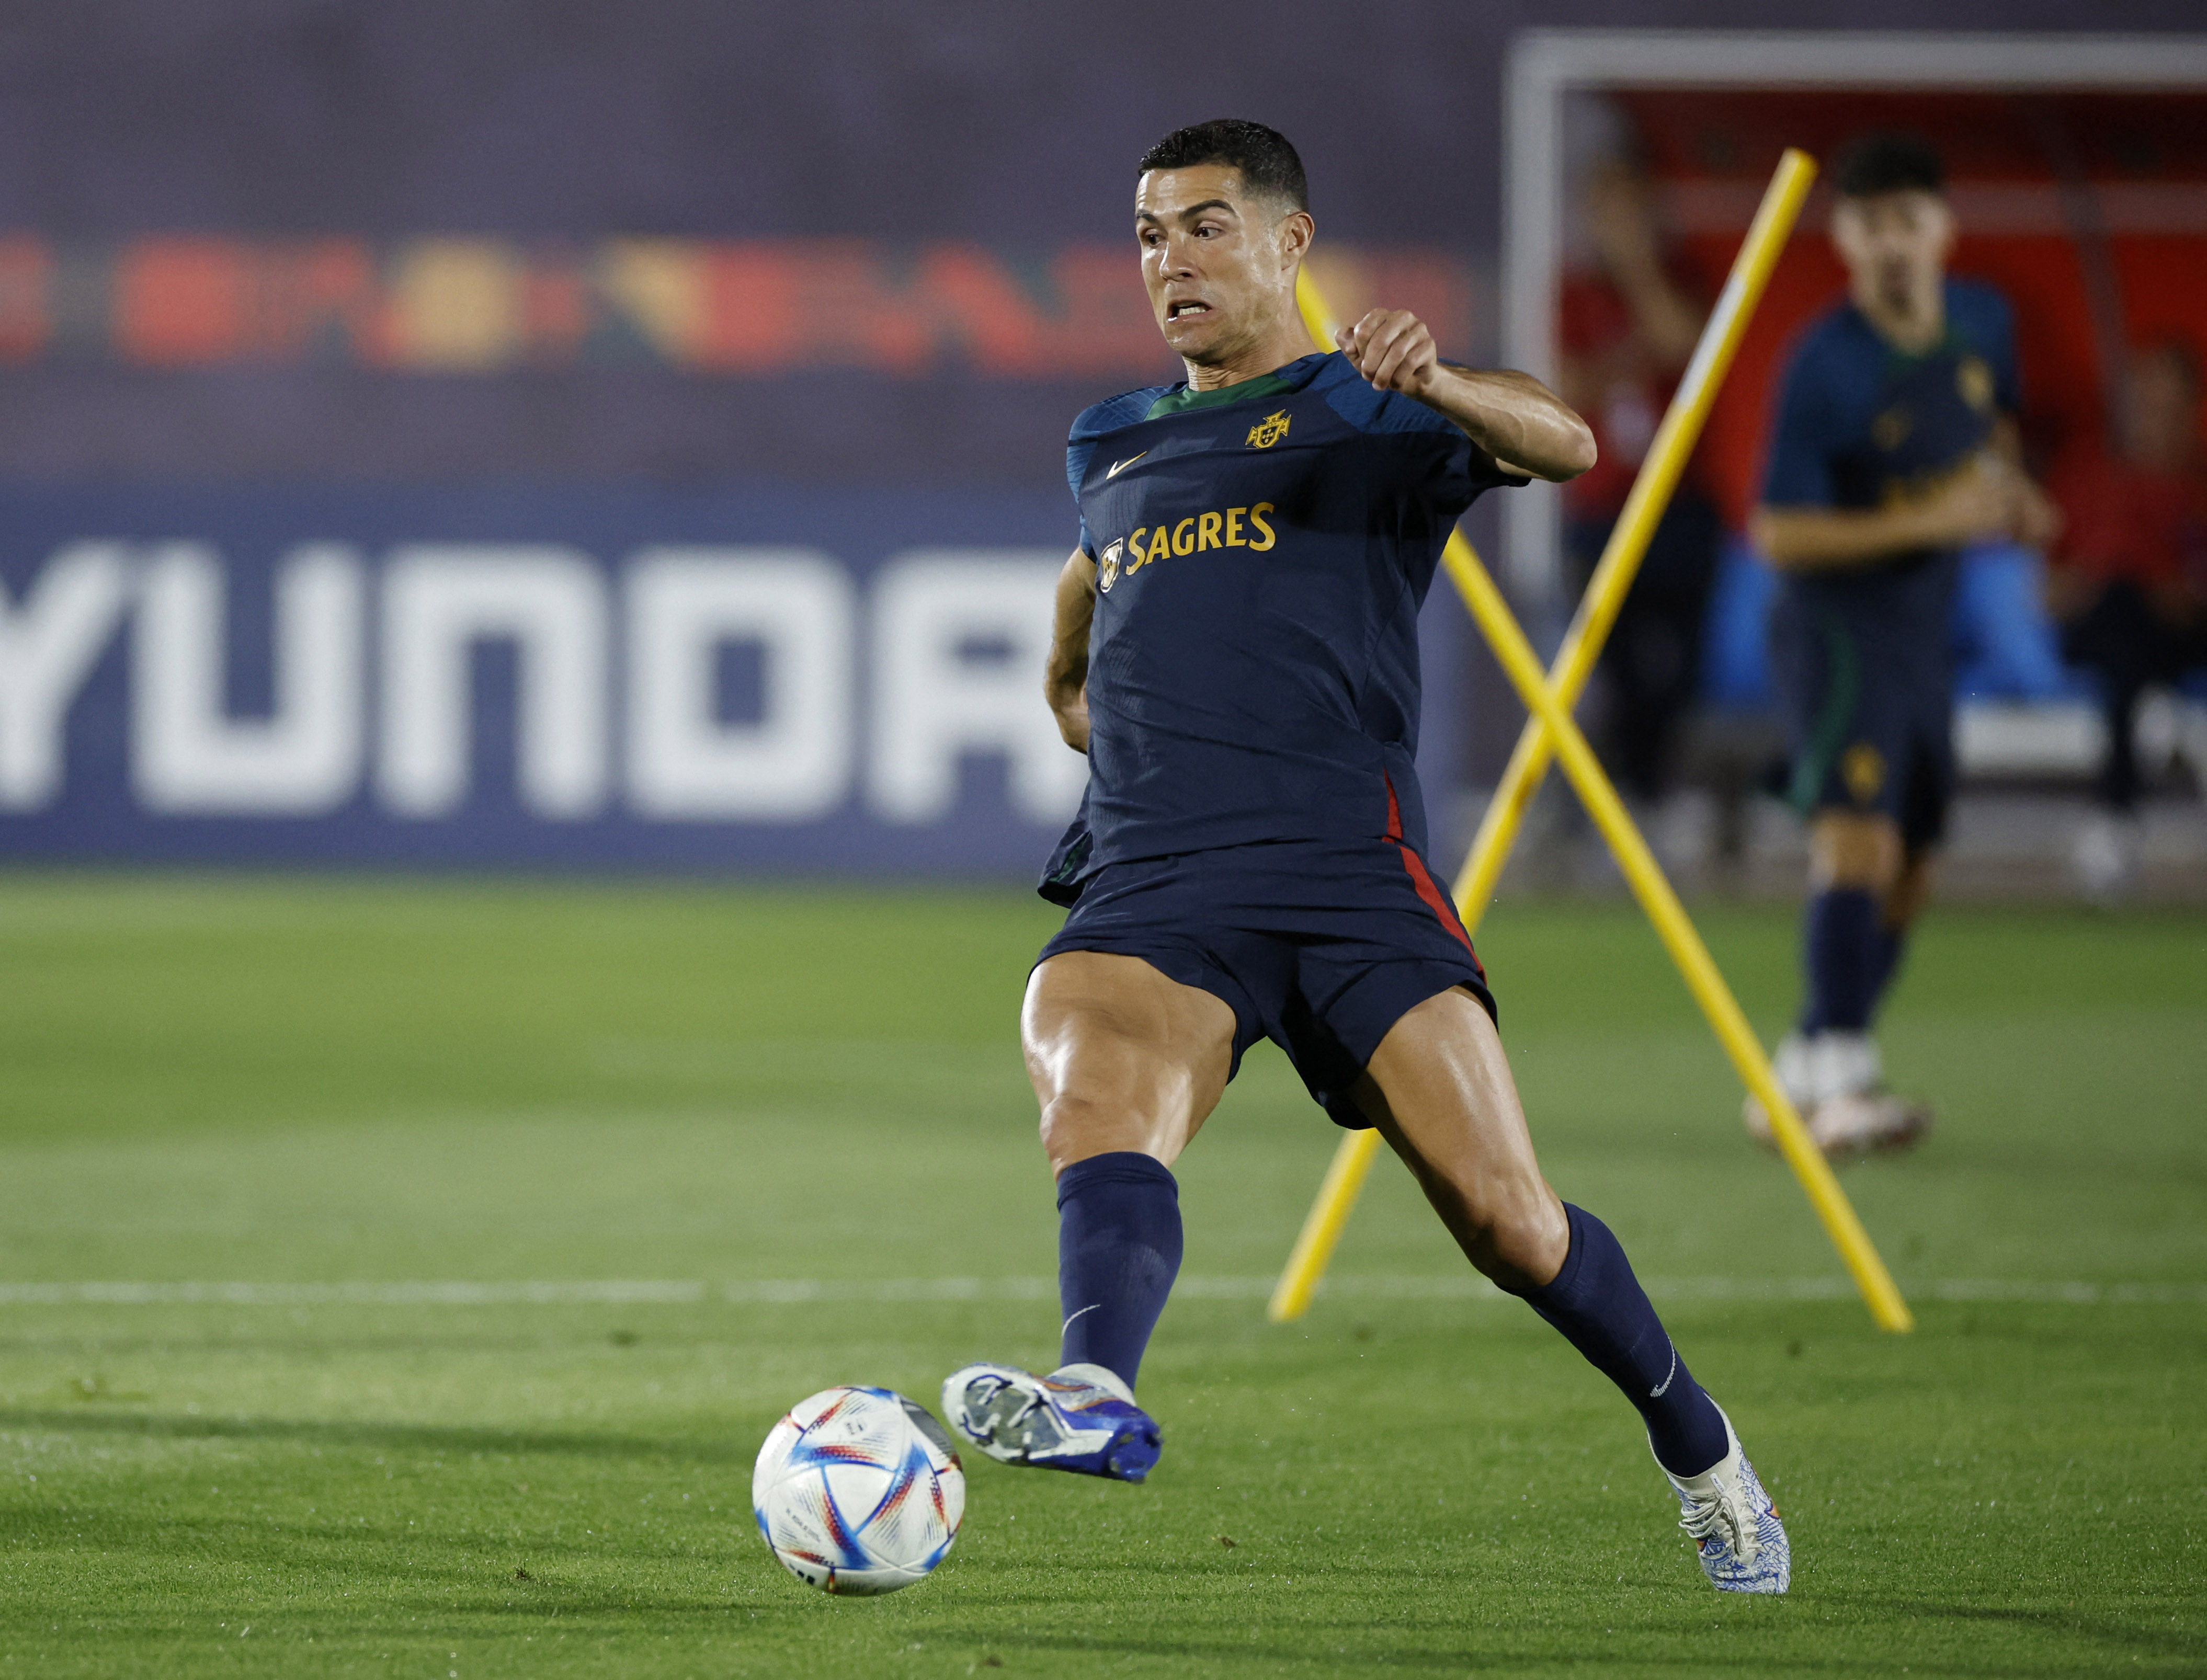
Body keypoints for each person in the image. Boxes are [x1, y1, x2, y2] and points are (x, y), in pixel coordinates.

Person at [938, 118, 1790, 1596]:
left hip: (1347, 872)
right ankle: (1095, 1388)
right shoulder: (1110, 437)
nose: (1171, 260)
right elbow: (1092, 565)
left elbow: (1567, 439)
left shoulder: (1373, 410)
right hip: (1160, 872)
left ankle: (1699, 1443)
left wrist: (1439, 379)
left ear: (1288, 242)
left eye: (1205, 225)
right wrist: (1069, 678)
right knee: (1092, 1090)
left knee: (1508, 1222)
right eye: (1148, 234)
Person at [1749, 133, 2056, 1158]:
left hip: (1925, 631)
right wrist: (1933, 521)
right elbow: (1777, 530)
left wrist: (2011, 499)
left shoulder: (1981, 323)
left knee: (1915, 863)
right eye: (1869, 224)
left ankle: (1800, 1065)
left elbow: (1993, 436)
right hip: (1836, 626)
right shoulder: (1823, 363)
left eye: (1907, 222)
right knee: (1857, 839)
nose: (1890, 243)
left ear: (1941, 230)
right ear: (1841, 239)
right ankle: (1842, 1075)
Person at [1557, 145, 1724, 817]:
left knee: (1683, 662)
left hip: (1681, 502)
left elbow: (1683, 342)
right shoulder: (1572, 291)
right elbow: (1568, 385)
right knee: (1615, 660)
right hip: (1601, 506)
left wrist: (1637, 268)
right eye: (1606, 207)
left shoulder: (1682, 276)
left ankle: (1657, 791)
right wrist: (1632, 359)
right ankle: (1623, 797)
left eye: (1630, 205)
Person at [2049, 341, 2207, 900]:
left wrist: (2182, 594)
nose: (2152, 416)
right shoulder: (2087, 475)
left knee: (2133, 630)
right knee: (2119, 607)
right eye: (2143, 402)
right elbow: (2045, 588)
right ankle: (2119, 809)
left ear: (2190, 409)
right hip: (2096, 631)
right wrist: (2082, 585)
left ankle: (2114, 823)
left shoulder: (2195, 485)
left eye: (2166, 404)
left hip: (2182, 634)